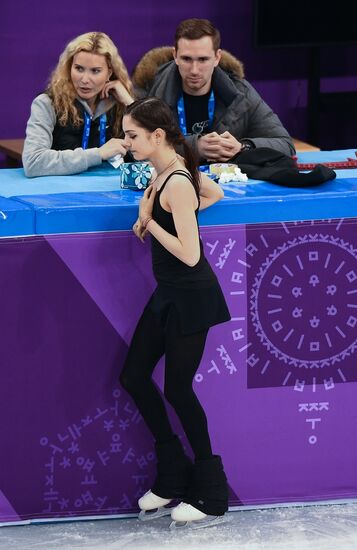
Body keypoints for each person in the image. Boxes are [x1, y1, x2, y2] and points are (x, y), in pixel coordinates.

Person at [119, 97, 230, 528]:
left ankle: (210, 493)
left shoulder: (178, 181)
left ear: (157, 136)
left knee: (178, 390)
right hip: (169, 294)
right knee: (132, 376)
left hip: (191, 295)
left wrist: (151, 221)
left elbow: (189, 253)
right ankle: (172, 475)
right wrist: (169, 214)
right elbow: (216, 192)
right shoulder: (166, 169)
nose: (126, 143)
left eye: (132, 135)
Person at [132, 18, 295, 164]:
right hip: (168, 186)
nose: (194, 70)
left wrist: (243, 146)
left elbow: (286, 145)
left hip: (227, 190)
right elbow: (131, 150)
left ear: (217, 57)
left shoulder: (240, 92)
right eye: (186, 59)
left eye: (203, 59)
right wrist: (195, 148)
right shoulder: (149, 90)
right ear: (175, 55)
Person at [23, 32, 134, 177]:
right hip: (58, 194)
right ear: (69, 68)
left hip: (111, 194)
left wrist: (131, 104)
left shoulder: (121, 104)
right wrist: (98, 154)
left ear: (109, 73)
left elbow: (155, 153)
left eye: (95, 71)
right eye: (79, 69)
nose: (85, 79)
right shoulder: (46, 103)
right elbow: (33, 162)